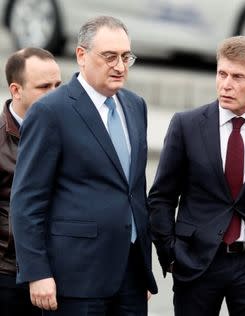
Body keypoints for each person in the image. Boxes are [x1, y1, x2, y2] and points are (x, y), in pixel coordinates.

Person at [148, 35, 245, 316]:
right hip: (197, 262)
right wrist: (171, 253)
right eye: (221, 74)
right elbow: (161, 197)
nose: (226, 84)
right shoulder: (186, 125)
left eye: (237, 77)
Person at [10, 16, 157, 315]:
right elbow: (27, 200)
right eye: (109, 56)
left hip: (129, 274)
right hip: (75, 278)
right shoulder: (50, 112)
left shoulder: (135, 106)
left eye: (126, 57)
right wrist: (37, 272)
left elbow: (135, 192)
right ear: (81, 56)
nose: (120, 66)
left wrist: (143, 268)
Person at [0, 47, 61, 316]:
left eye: (59, 85)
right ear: (16, 90)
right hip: (9, 277)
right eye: (44, 86)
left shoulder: (69, 127)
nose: (55, 94)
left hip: (64, 269)